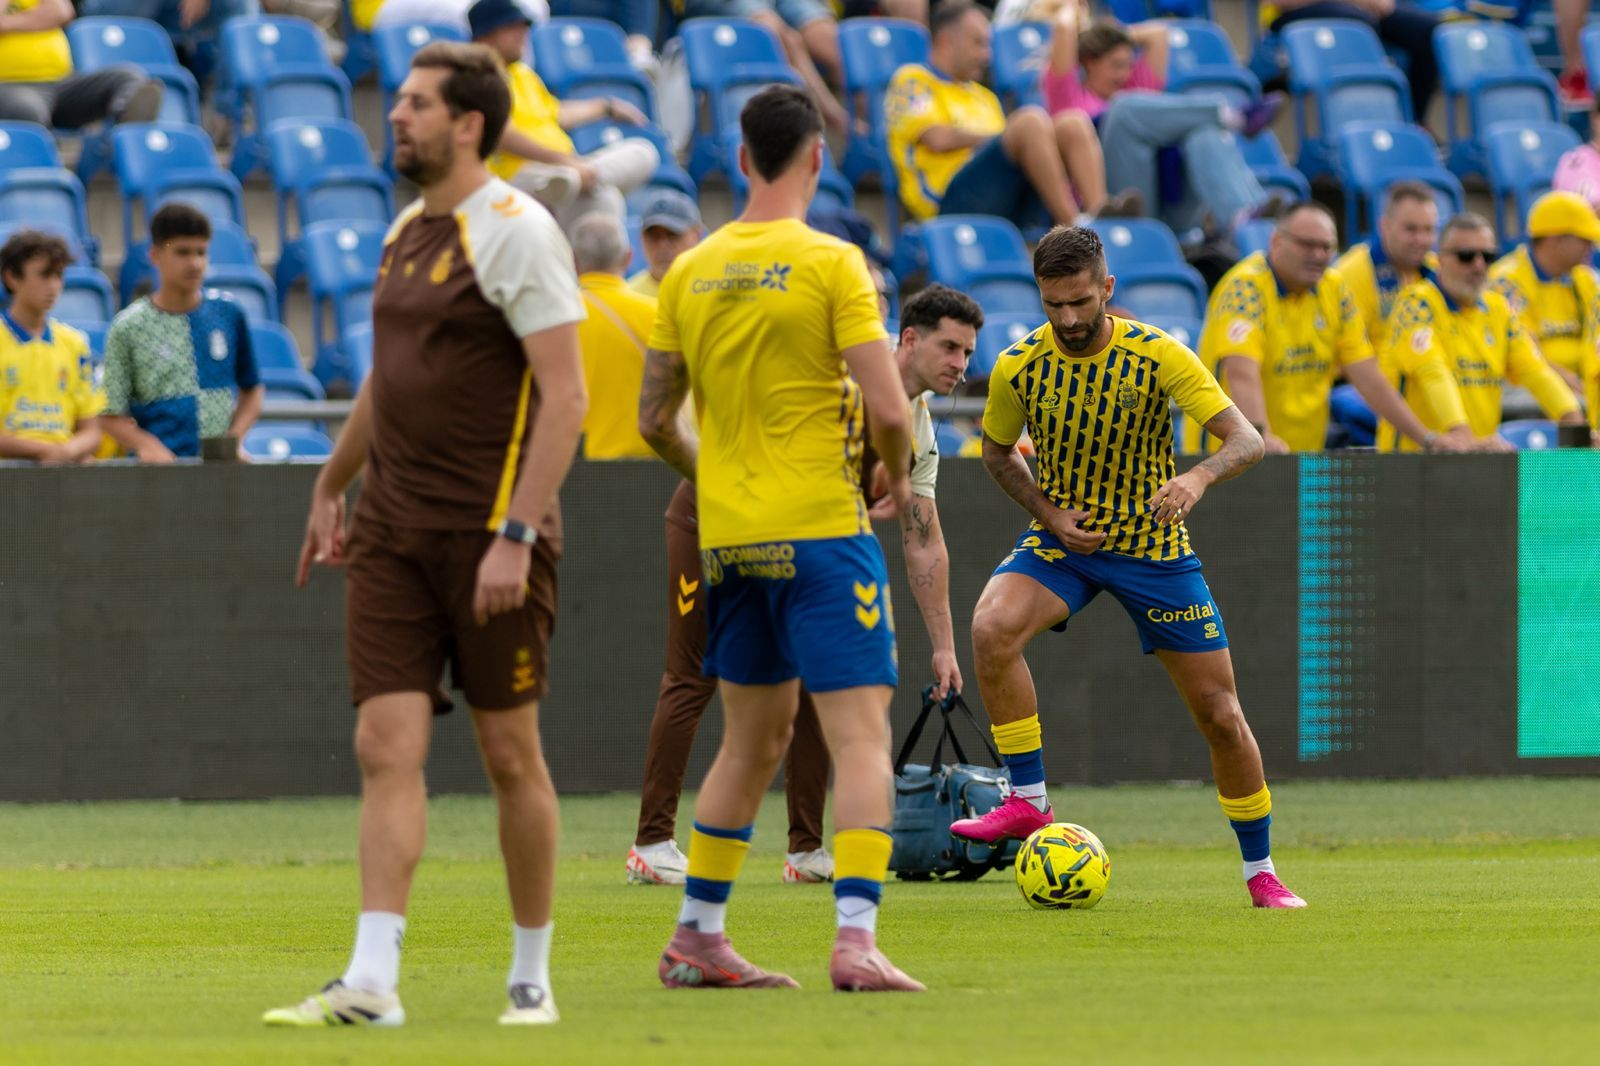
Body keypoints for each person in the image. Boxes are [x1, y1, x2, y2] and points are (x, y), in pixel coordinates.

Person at [265, 40, 588, 1028]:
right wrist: (331, 481)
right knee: (382, 742)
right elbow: (386, 380)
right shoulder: (405, 229)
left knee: (508, 757)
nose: (395, 115)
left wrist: (515, 536)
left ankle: (529, 975)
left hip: (489, 538)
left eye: (415, 104)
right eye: (397, 101)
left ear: (468, 125)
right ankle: (372, 980)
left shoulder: (520, 230)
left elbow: (566, 397)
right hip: (393, 533)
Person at [637, 84, 923, 992]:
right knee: (861, 736)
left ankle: (698, 937)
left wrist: (714, 478)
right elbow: (889, 408)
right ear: (815, 158)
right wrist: (892, 471)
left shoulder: (687, 271)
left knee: (749, 743)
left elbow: (653, 419)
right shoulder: (832, 263)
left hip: (731, 540)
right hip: (821, 532)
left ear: (741, 159)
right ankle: (855, 940)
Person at [950, 224, 1305, 911]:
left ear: (1107, 289)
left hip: (1155, 550)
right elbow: (997, 454)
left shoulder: (1158, 354)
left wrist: (1197, 480)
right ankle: (1028, 800)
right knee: (992, 626)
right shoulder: (1020, 366)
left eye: (1082, 301)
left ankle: (1261, 871)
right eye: (1054, 305)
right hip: (1066, 543)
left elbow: (1246, 439)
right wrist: (1049, 514)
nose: (1070, 318)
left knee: (1221, 715)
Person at [1195, 202, 1478, 454]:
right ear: (1276, 241)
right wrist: (1259, 434)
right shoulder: (1245, 288)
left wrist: (1426, 439)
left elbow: (1368, 376)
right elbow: (1241, 372)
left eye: (1326, 247)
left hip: (1300, 457)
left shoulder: (1334, 289)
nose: (1318, 255)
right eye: (1307, 245)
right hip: (1230, 457)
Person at [885, 1, 1131, 231]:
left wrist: (1014, 137)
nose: (987, 55)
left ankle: (1100, 218)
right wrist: (1005, 136)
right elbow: (937, 139)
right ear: (947, 41)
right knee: (1030, 122)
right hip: (947, 204)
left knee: (1072, 122)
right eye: (978, 43)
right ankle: (1074, 229)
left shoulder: (984, 97)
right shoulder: (913, 80)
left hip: (1003, 198)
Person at [1044, 13, 1284, 237]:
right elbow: (1064, 28)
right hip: (1121, 205)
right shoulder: (1069, 95)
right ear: (1090, 63)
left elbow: (1158, 34)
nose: (1126, 74)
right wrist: (1092, 38)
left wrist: (1116, 38)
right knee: (1122, 109)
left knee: (1204, 135)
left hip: (1172, 203)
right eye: (1116, 65)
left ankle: (1243, 220)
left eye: (1129, 64)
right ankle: (1230, 116)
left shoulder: (1136, 86)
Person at [1380, 213, 1584, 450]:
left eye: (1487, 256)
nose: (1478, 265)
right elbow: (1432, 373)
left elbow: (1535, 371)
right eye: (1466, 256)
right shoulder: (1416, 304)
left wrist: (1574, 421)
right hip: (1416, 463)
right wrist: (1460, 433)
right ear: (1440, 259)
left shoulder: (1498, 310)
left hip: (1476, 460)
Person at [470, 0, 658, 233]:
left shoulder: (522, 73)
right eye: (511, 28)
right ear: (485, 36)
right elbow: (501, 135)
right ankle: (577, 179)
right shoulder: (478, 76)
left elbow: (556, 113)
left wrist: (605, 107)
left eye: (523, 27)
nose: (523, 34)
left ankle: (578, 179)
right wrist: (564, 162)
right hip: (517, 177)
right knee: (605, 198)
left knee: (643, 152)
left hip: (561, 173)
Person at [100, 203, 263, 463]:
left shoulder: (229, 313)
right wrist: (146, 444)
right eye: (183, 252)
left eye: (201, 252)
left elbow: (252, 389)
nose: (195, 263)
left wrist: (235, 438)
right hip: (157, 478)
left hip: (219, 472)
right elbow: (108, 414)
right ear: (155, 255)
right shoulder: (128, 326)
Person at [0, 230, 102, 464]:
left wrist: (66, 452)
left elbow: (92, 430)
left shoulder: (74, 343)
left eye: (58, 275)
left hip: (60, 472)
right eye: (44, 275)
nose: (54, 286)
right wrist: (44, 451)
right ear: (12, 277)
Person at [1488, 190, 1600, 396]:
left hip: (1580, 386)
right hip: (1527, 389)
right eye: (1584, 239)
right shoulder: (1507, 281)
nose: (1591, 247)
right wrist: (1568, 383)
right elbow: (1521, 354)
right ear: (1554, 240)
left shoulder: (1585, 278)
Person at [569, 212, 659, 460]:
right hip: (646, 470)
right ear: (628, 257)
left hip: (575, 468)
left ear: (573, 261)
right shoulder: (657, 316)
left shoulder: (557, 320)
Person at [0, 0, 164, 128]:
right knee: (27, 109)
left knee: (129, 78)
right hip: (10, 86)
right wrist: (36, 18)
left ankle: (114, 156)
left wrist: (7, 23)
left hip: (61, 83)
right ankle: (46, 163)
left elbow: (60, 11)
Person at [1267, 0, 1439, 120]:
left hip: (1356, 7)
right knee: (1358, 21)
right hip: (1294, 11)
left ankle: (1413, 121)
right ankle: (1374, 120)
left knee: (1426, 28)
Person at [1334, 181, 1439, 347]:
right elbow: (1350, 357)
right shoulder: (1351, 273)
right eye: (1411, 229)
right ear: (1384, 226)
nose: (1421, 240)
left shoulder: (1436, 267)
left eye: (1428, 230)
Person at [627, 189, 704, 299]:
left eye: (673, 235)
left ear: (696, 234)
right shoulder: (629, 296)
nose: (663, 246)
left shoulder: (714, 290)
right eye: (653, 237)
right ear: (641, 238)